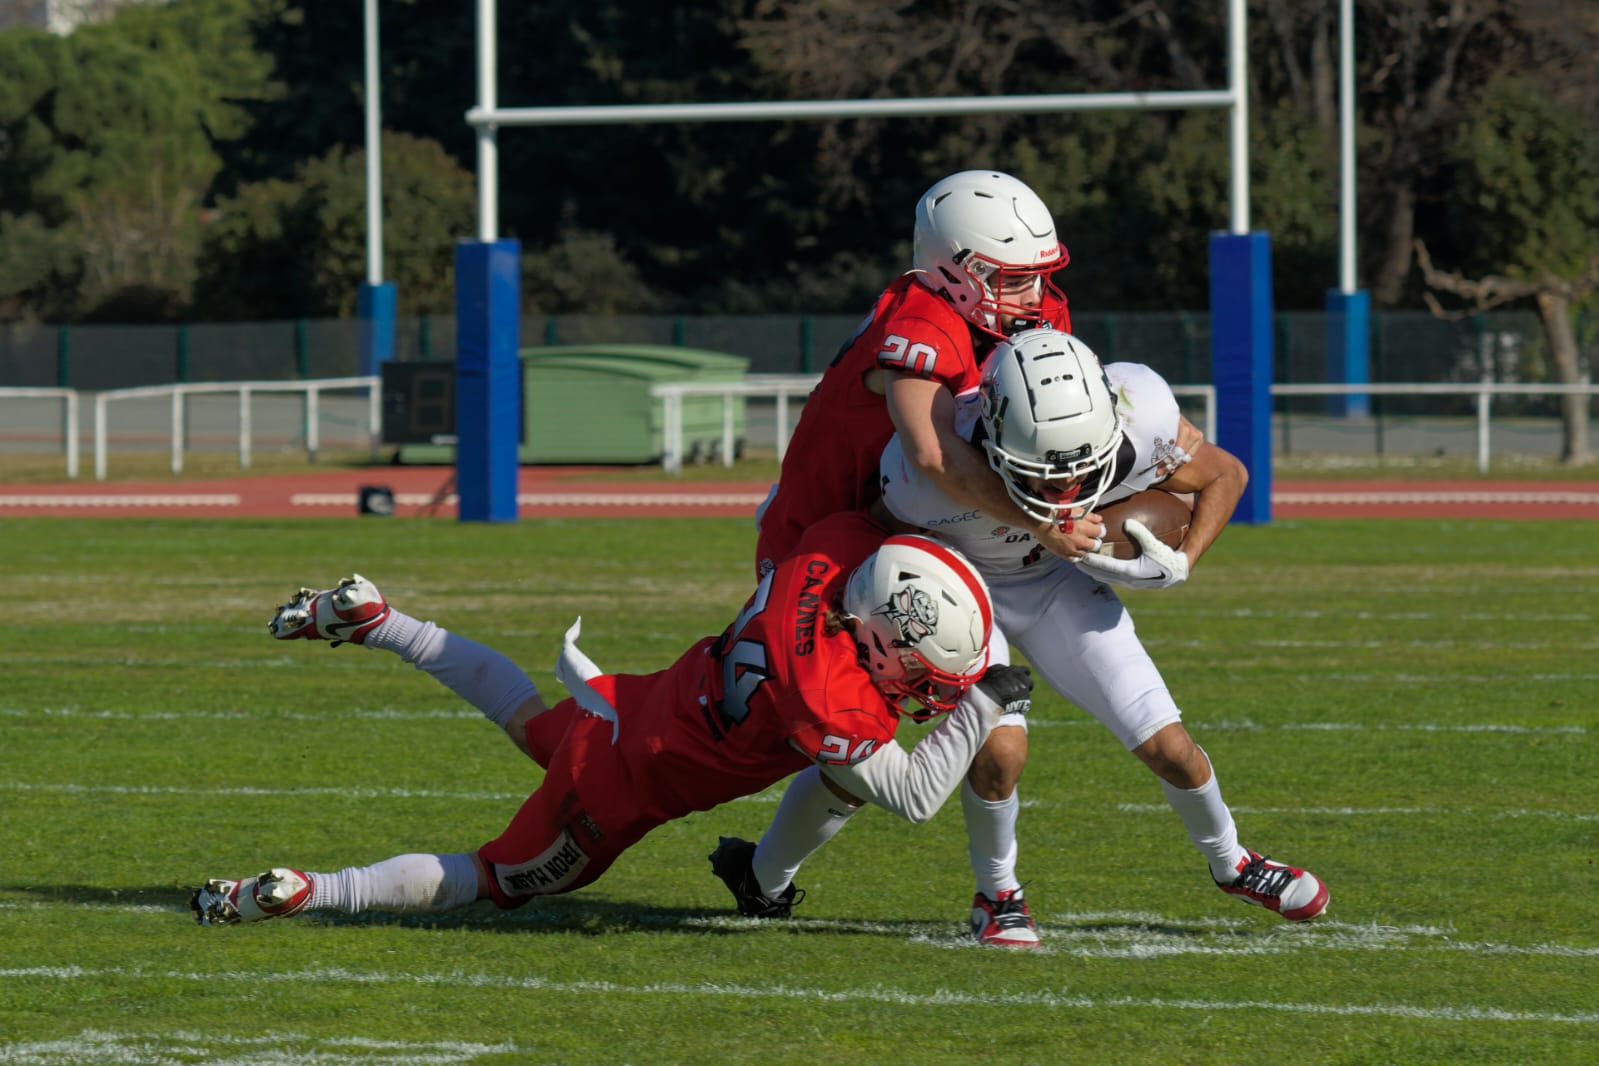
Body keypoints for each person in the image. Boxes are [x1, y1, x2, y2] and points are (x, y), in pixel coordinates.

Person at [716, 327, 1328, 946]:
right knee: (995, 752)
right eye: (1042, 476)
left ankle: (1234, 863)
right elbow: (872, 536)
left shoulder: (1141, 415)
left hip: (1057, 585)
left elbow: (1226, 474)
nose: (1064, 492)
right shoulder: (930, 463)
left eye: (1081, 471)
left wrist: (1184, 559)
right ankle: (997, 893)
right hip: (962, 591)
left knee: (1169, 745)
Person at [189, 511, 1035, 927]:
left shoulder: (831, 552)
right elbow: (920, 793)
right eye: (925, 671)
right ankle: (310, 892)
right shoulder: (828, 696)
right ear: (886, 630)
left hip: (626, 706)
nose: (931, 689)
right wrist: (991, 698)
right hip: (620, 788)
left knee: (527, 723)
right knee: (494, 876)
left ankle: (382, 621)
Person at [754, 169, 1102, 578]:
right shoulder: (923, 324)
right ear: (956, 271)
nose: (1036, 296)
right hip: (824, 541)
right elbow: (935, 456)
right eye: (1017, 279)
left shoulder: (1015, 315)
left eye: (1041, 277)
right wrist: (1043, 525)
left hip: (924, 525)